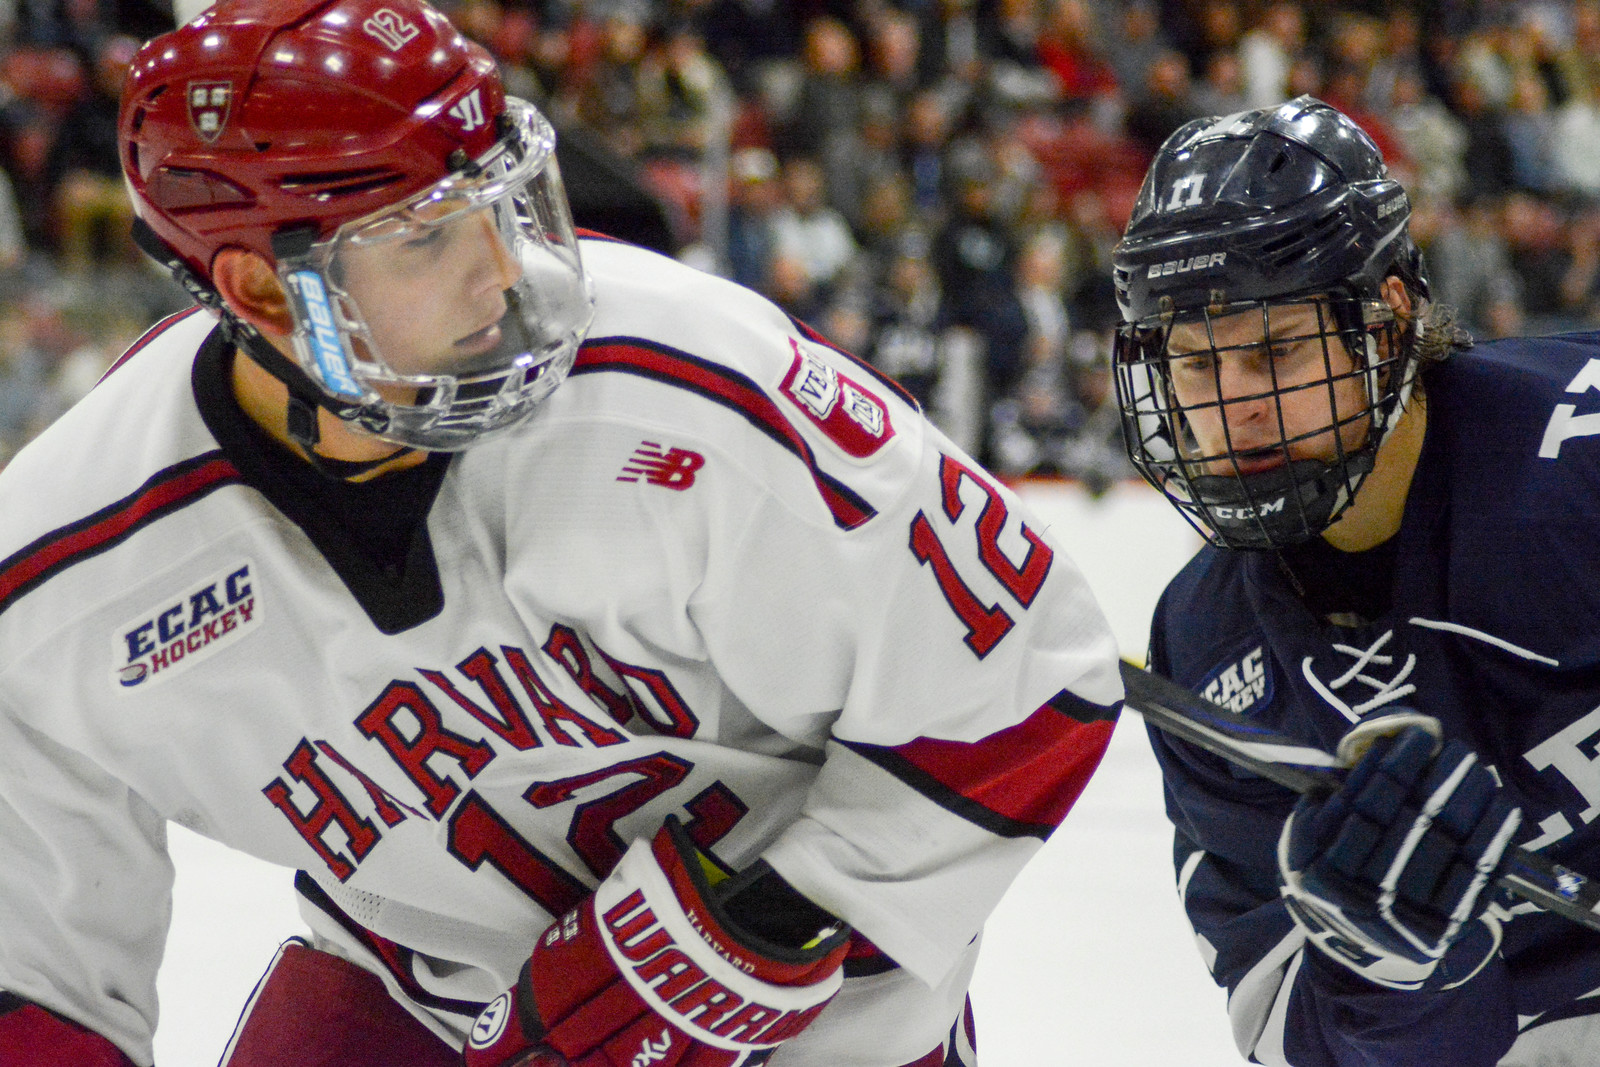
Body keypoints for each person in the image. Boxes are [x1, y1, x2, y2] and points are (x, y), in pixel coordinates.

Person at [0, 2, 1126, 1066]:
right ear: (259, 289)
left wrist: (764, 925)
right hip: (418, 987)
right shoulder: (62, 566)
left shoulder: (689, 383)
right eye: (424, 241)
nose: (502, 274)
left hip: (819, 1001)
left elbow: (1030, 674)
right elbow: (34, 978)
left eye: (500, 206)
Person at [1111, 95, 1600, 1065]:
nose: (1233, 409)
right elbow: (1308, 1035)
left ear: (1388, 321)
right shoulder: (1206, 643)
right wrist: (1389, 973)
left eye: (1274, 350)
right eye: (1194, 364)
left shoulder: (1578, 459)